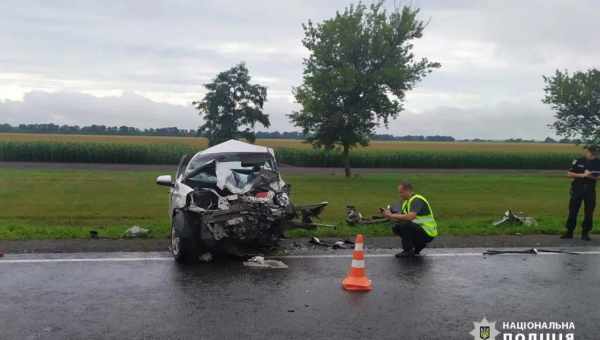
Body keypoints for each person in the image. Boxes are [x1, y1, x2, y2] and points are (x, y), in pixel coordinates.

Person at [382, 181, 438, 257]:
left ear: (408, 191)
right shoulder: (406, 202)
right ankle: (419, 245)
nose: (400, 195)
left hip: (428, 231)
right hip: (421, 229)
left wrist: (392, 215)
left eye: (401, 192)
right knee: (396, 227)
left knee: (405, 225)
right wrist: (388, 216)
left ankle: (408, 250)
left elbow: (410, 217)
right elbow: (401, 219)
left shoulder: (416, 200)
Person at [561, 146, 600, 241]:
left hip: (590, 189)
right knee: (573, 210)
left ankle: (585, 233)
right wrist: (582, 175)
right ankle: (569, 232)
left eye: (592, 152)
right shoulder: (578, 161)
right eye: (588, 152)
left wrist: (589, 176)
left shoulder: (598, 162)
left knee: (589, 211)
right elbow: (569, 173)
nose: (589, 153)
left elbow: (598, 177)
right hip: (577, 188)